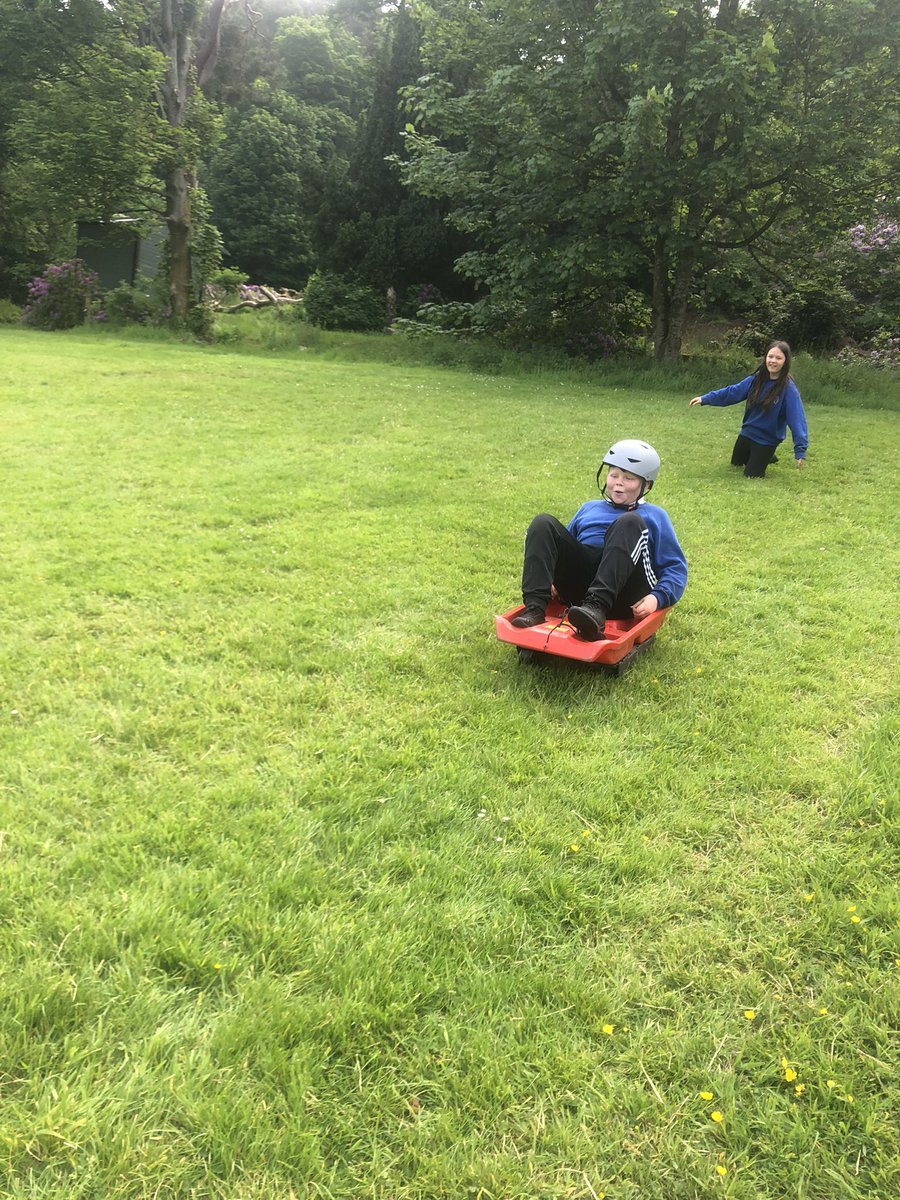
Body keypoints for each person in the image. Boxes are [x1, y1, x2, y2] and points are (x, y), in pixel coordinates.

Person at [510, 439, 688, 641]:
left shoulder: (654, 516)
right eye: (614, 475)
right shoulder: (589, 508)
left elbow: (675, 568)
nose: (619, 482)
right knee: (543, 523)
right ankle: (533, 610)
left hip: (624, 595)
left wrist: (657, 598)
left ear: (646, 485)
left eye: (629, 478)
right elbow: (561, 549)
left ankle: (596, 608)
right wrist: (551, 578)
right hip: (581, 596)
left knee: (629, 522)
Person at [688, 340, 808, 477]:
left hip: (766, 439)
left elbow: (797, 419)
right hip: (748, 433)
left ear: (785, 361)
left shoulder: (788, 389)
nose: (773, 361)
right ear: (765, 358)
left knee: (751, 475)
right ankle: (766, 456)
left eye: (778, 358)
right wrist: (706, 398)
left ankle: (765, 453)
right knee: (736, 464)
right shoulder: (756, 379)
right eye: (770, 356)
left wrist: (800, 450)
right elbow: (733, 392)